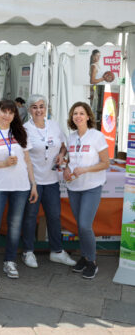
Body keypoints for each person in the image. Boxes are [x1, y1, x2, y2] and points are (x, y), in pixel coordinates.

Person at [0, 99, 38, 279]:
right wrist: (2, 163)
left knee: (15, 225)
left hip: (21, 186)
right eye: (4, 111)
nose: (7, 115)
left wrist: (33, 184)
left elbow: (28, 161)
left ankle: (10, 261)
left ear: (14, 115)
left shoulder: (20, 132)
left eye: (11, 112)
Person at [21, 95, 75, 269]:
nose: (38, 110)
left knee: (54, 216)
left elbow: (63, 144)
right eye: (35, 107)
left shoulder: (54, 125)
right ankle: (28, 251)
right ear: (30, 109)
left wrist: (61, 154)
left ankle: (57, 252)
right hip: (32, 181)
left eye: (42, 106)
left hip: (51, 180)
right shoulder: (25, 129)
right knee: (30, 217)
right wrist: (32, 182)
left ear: (46, 109)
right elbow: (24, 156)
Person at [64, 102, 109, 279]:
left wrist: (86, 169)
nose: (78, 116)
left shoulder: (97, 136)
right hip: (73, 187)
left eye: (82, 113)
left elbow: (106, 163)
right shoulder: (71, 137)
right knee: (80, 226)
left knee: (84, 225)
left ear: (88, 116)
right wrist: (66, 169)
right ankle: (83, 256)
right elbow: (69, 161)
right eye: (75, 113)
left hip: (91, 187)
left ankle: (92, 261)